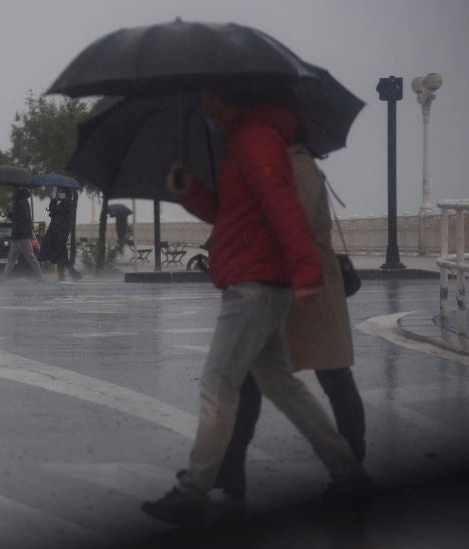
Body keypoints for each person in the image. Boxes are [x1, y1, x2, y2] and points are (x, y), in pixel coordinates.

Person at [140, 87, 372, 526]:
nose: (205, 106)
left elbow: (282, 207)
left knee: (218, 385)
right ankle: (349, 473)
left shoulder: (255, 139)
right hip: (260, 279)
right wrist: (191, 193)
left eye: (208, 97)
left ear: (228, 96)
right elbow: (234, 212)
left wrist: (305, 270)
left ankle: (193, 492)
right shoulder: (248, 140)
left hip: (253, 282)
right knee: (281, 385)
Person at [209, 141, 367, 511]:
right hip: (285, 286)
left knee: (333, 376)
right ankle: (230, 471)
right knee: (251, 378)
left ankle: (352, 470)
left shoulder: (298, 167)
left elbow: (292, 223)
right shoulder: (283, 166)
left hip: (310, 291)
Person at [1, 186, 44, 281]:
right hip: (17, 234)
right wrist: (9, 214)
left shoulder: (21, 202)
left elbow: (22, 218)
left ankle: (40, 277)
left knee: (29, 257)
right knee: (12, 257)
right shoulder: (18, 201)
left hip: (22, 234)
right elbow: (18, 217)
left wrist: (10, 214)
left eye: (8, 190)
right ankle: (3, 277)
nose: (7, 192)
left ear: (14, 190)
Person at [40, 190, 82, 281]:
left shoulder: (67, 204)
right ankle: (65, 275)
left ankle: (71, 273)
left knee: (59, 255)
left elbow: (56, 214)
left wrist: (53, 204)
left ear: (66, 194)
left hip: (59, 234)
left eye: (61, 193)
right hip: (59, 234)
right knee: (61, 255)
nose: (59, 194)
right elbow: (55, 214)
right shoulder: (66, 203)